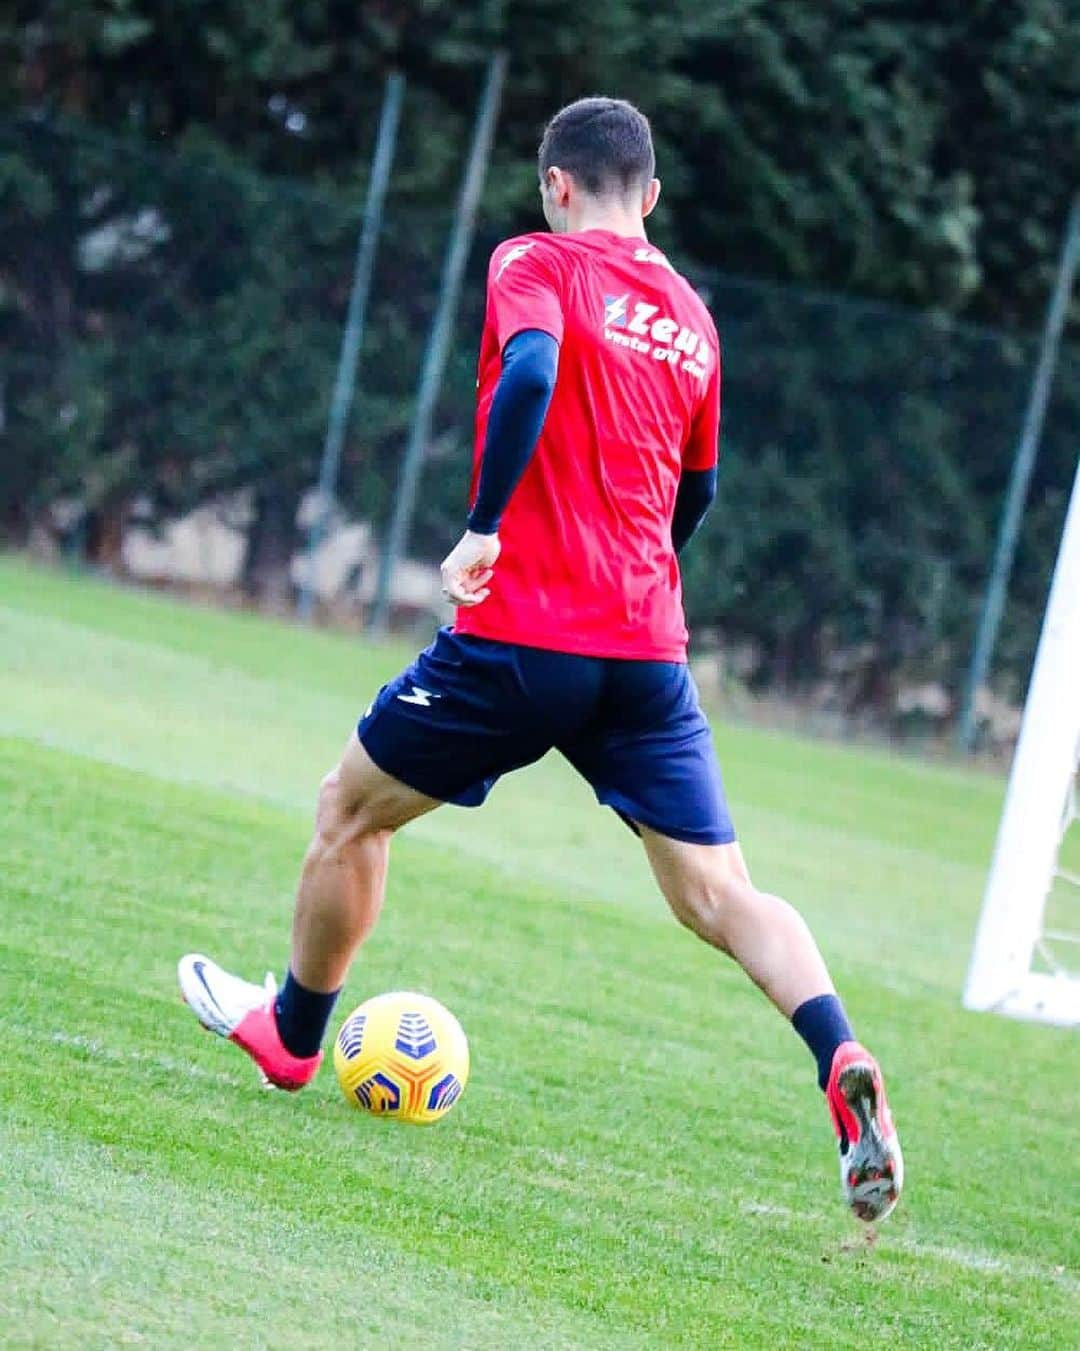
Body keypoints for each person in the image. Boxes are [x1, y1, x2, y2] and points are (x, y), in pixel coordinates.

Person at [179, 97, 902, 1223]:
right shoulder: (696, 321)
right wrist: (638, 582)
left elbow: (528, 374)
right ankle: (838, 1051)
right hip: (645, 653)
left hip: (521, 637)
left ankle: (292, 1036)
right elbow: (696, 496)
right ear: (650, 195)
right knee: (721, 893)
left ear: (556, 185)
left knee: (351, 807)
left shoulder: (538, 261)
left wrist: (482, 526)